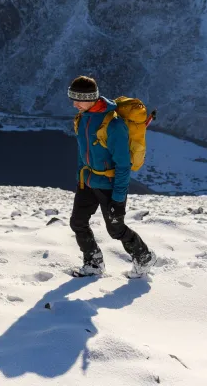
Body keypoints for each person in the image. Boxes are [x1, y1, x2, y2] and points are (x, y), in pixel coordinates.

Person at [67, 76, 156, 277]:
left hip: (109, 185)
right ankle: (93, 263)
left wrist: (118, 199)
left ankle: (144, 256)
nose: (74, 103)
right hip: (88, 181)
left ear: (90, 98)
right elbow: (83, 152)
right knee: (78, 222)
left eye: (78, 98)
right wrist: (81, 179)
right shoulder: (82, 119)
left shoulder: (113, 125)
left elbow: (123, 166)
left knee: (116, 229)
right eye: (71, 97)